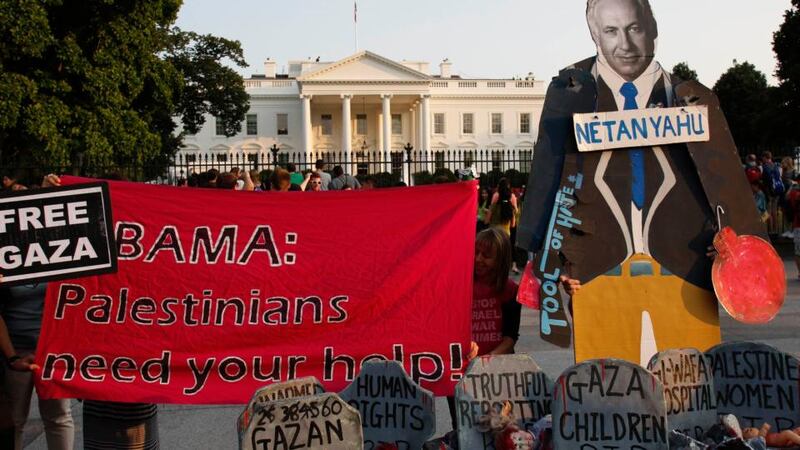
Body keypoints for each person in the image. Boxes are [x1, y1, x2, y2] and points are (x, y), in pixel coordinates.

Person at [517, 0, 765, 365]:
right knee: (610, 403)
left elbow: (727, 185)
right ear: (596, 36)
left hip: (684, 270)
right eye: (611, 31)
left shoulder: (692, 98)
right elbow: (547, 180)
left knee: (690, 391)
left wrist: (735, 244)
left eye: (633, 29)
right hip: (600, 274)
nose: (625, 45)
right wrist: (550, 265)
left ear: (652, 30)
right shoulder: (571, 95)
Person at [0, 176, 74, 450]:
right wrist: (13, 357)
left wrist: (50, 190)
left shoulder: (59, 250)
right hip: (16, 350)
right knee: (14, 420)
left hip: (52, 350)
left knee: (58, 418)